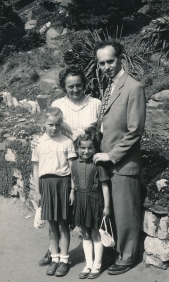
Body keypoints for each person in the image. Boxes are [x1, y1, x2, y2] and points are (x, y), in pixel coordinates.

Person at [33, 66, 101, 266]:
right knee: (56, 213)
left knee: (86, 208)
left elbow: (100, 134)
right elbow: (49, 129)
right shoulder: (58, 103)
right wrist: (36, 142)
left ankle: (95, 254)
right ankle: (53, 251)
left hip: (87, 165)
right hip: (64, 164)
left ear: (85, 84)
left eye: (79, 85)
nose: (75, 89)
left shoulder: (95, 104)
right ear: (64, 86)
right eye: (70, 86)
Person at [93, 40, 146, 275]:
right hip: (107, 162)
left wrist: (111, 154)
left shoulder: (133, 87)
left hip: (124, 163)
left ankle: (128, 256)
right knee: (112, 211)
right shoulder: (108, 88)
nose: (106, 66)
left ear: (120, 59)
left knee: (126, 213)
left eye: (110, 61)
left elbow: (135, 131)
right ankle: (117, 251)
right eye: (102, 63)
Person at [32, 107, 77, 277]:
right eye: (50, 124)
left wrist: (73, 189)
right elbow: (36, 170)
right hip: (46, 186)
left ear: (61, 124)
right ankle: (55, 258)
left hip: (63, 184)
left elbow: (72, 169)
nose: (54, 128)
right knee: (52, 224)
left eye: (57, 125)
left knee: (63, 224)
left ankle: (64, 260)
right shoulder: (38, 143)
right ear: (43, 123)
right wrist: (38, 192)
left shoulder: (67, 142)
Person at [71, 129, 110, 279]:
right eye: (83, 148)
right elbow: (73, 183)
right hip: (81, 202)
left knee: (95, 233)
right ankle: (88, 264)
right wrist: (72, 193)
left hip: (95, 203)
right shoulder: (74, 164)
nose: (86, 151)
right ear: (77, 148)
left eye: (90, 148)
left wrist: (107, 207)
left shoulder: (98, 165)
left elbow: (105, 186)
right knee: (85, 234)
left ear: (95, 149)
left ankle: (97, 266)